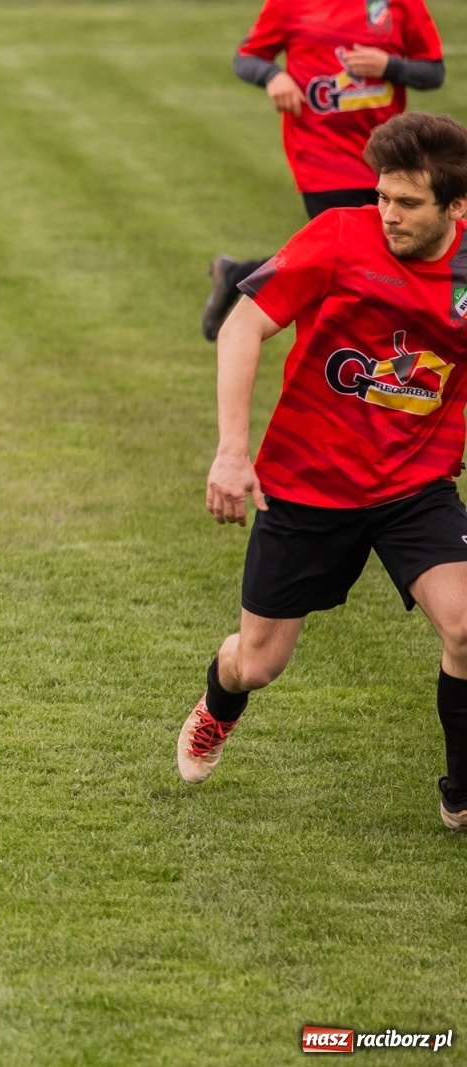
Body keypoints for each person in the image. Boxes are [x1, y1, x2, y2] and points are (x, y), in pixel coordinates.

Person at [179, 112, 467, 828]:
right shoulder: (341, 236)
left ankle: (461, 793)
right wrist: (230, 450)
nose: (387, 214)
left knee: (466, 627)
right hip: (308, 485)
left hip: (413, 486)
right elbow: (244, 324)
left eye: (407, 203)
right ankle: (219, 701)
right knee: (259, 662)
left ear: (457, 208)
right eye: (382, 196)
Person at [201, 0, 444, 341]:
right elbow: (247, 57)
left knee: (369, 251)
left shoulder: (402, 4)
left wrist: (390, 66)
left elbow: (433, 71)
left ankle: (236, 274)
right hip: (321, 155)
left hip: (386, 156)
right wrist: (274, 76)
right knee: (352, 256)